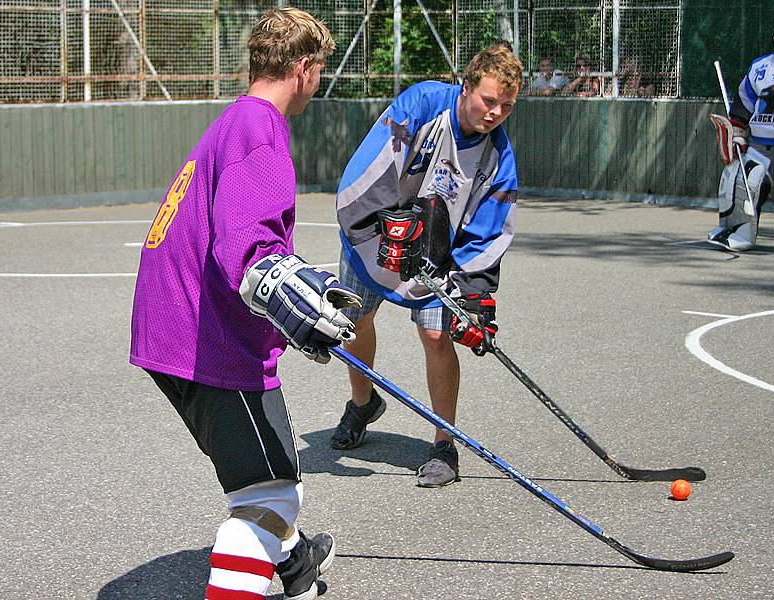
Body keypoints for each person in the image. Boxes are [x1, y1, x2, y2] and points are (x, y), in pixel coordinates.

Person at [129, 8, 359, 600]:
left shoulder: (233, 120)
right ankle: (278, 553)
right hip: (209, 338)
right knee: (269, 497)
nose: (318, 82)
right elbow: (248, 244)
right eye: (320, 71)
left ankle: (298, 564)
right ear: (304, 68)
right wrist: (283, 287)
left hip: (174, 330)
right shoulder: (260, 128)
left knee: (262, 472)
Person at [330, 41, 524, 488]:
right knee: (354, 322)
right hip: (374, 237)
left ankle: (444, 443)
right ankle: (362, 404)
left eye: (507, 106)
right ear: (466, 86)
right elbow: (371, 167)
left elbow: (488, 232)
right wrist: (381, 228)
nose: (495, 113)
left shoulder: (499, 159)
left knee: (438, 336)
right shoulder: (420, 105)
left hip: (434, 254)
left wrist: (476, 298)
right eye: (488, 100)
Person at [708, 18, 774, 251]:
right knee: (740, 177)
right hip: (760, 145)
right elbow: (744, 104)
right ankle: (737, 230)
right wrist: (737, 133)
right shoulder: (761, 67)